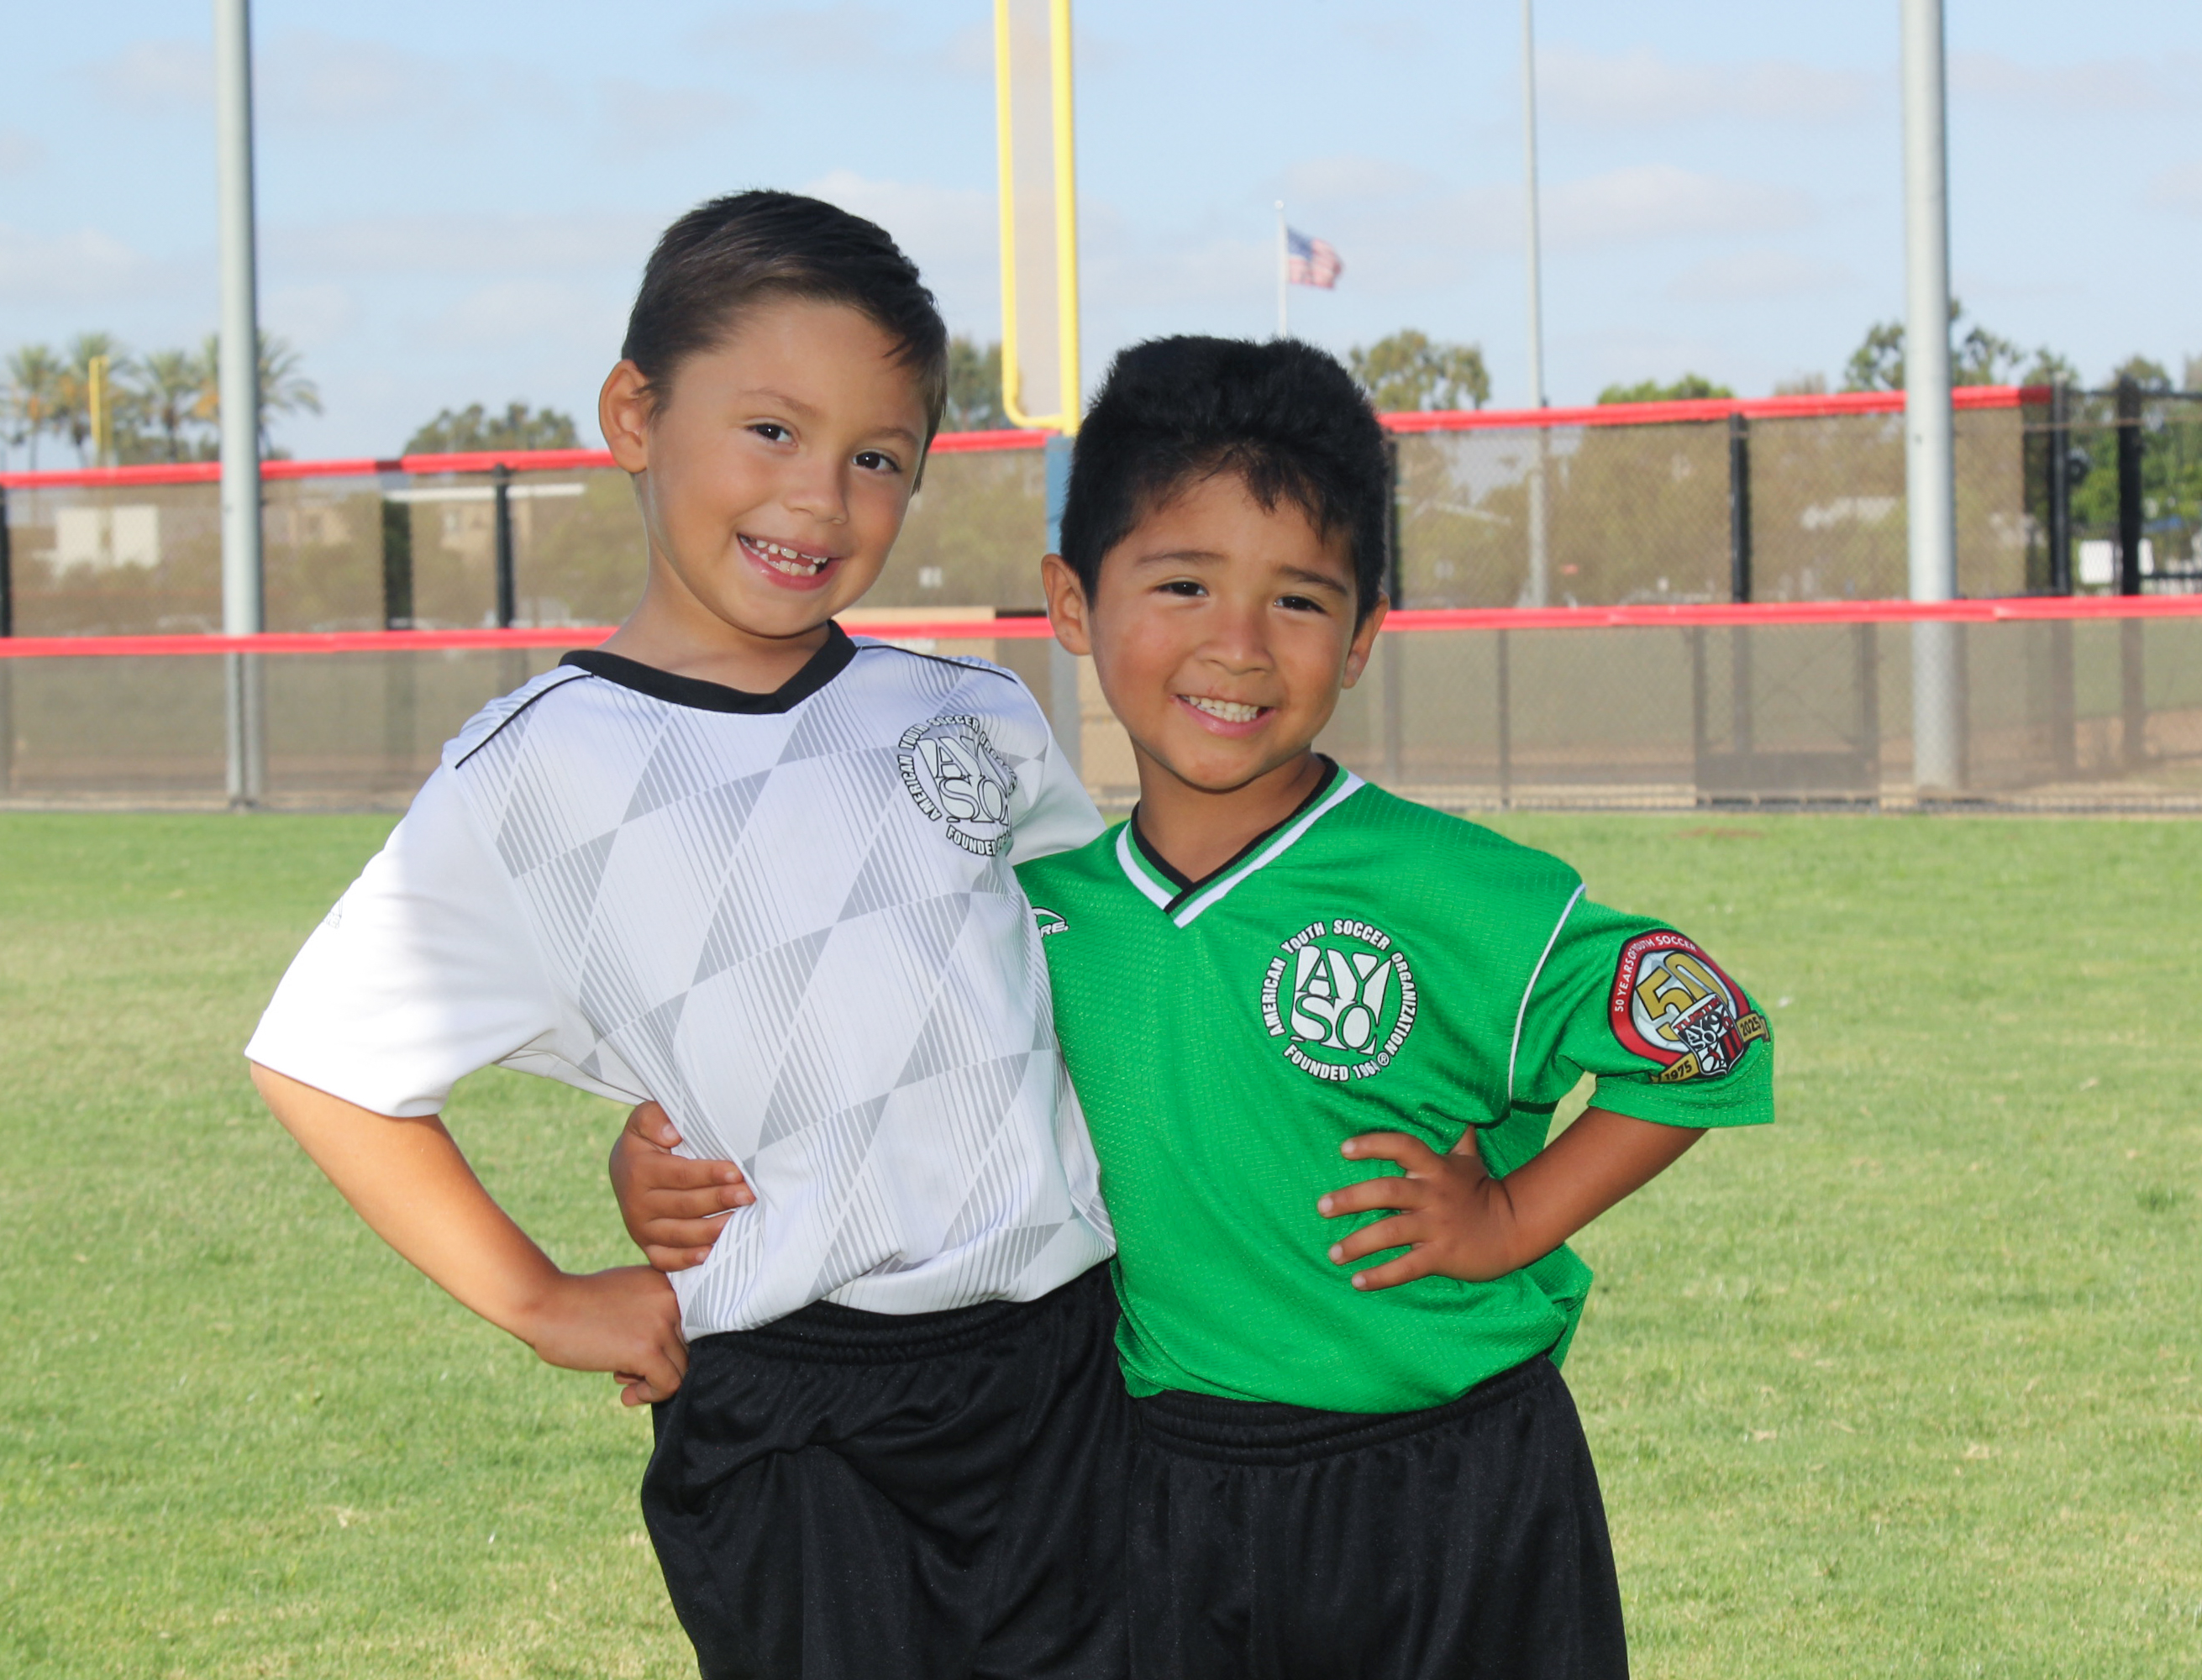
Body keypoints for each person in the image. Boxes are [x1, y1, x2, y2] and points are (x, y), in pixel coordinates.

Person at [618, 335, 1774, 1679]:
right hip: (1161, 1489)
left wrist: (1511, 1217)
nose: (1238, 646)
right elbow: (862, 1091)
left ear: (1363, 636)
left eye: (1299, 600)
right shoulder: (1017, 908)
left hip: (1457, 1486)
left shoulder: (1452, 891)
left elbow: (1709, 1033)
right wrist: (660, 1166)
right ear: (1072, 600)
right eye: (1182, 584)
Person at [248, 192, 1128, 1680]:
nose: (820, 499)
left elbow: (1085, 989)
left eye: (877, 459)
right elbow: (327, 1063)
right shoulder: (530, 774)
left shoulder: (970, 713)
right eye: (771, 431)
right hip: (793, 1408)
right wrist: (543, 1300)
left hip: (1069, 1372)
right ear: (634, 415)